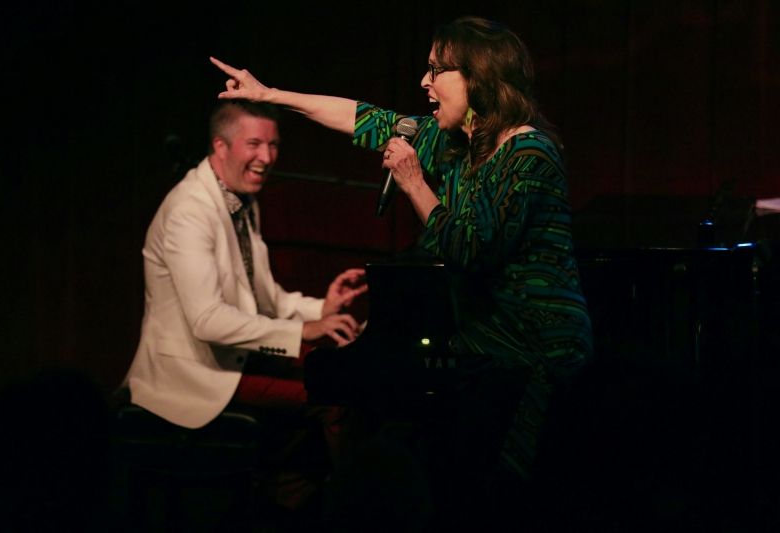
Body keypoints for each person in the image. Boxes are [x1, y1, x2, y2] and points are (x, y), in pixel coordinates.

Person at [211, 15, 593, 531]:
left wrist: (413, 182)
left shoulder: (528, 153)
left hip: (538, 363)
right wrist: (271, 94)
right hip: (489, 359)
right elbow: (363, 118)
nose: (424, 82)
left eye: (437, 70)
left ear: (477, 76)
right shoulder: (458, 143)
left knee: (508, 502)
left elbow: (470, 248)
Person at [122, 100, 367, 518]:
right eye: (254, 144)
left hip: (234, 359)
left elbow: (267, 300)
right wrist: (301, 332)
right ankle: (351, 511)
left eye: (273, 145)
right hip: (194, 373)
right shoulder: (189, 211)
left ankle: (288, 501)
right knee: (332, 397)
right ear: (221, 146)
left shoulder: (241, 201)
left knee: (336, 374)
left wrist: (322, 310)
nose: (267, 157)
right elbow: (207, 321)